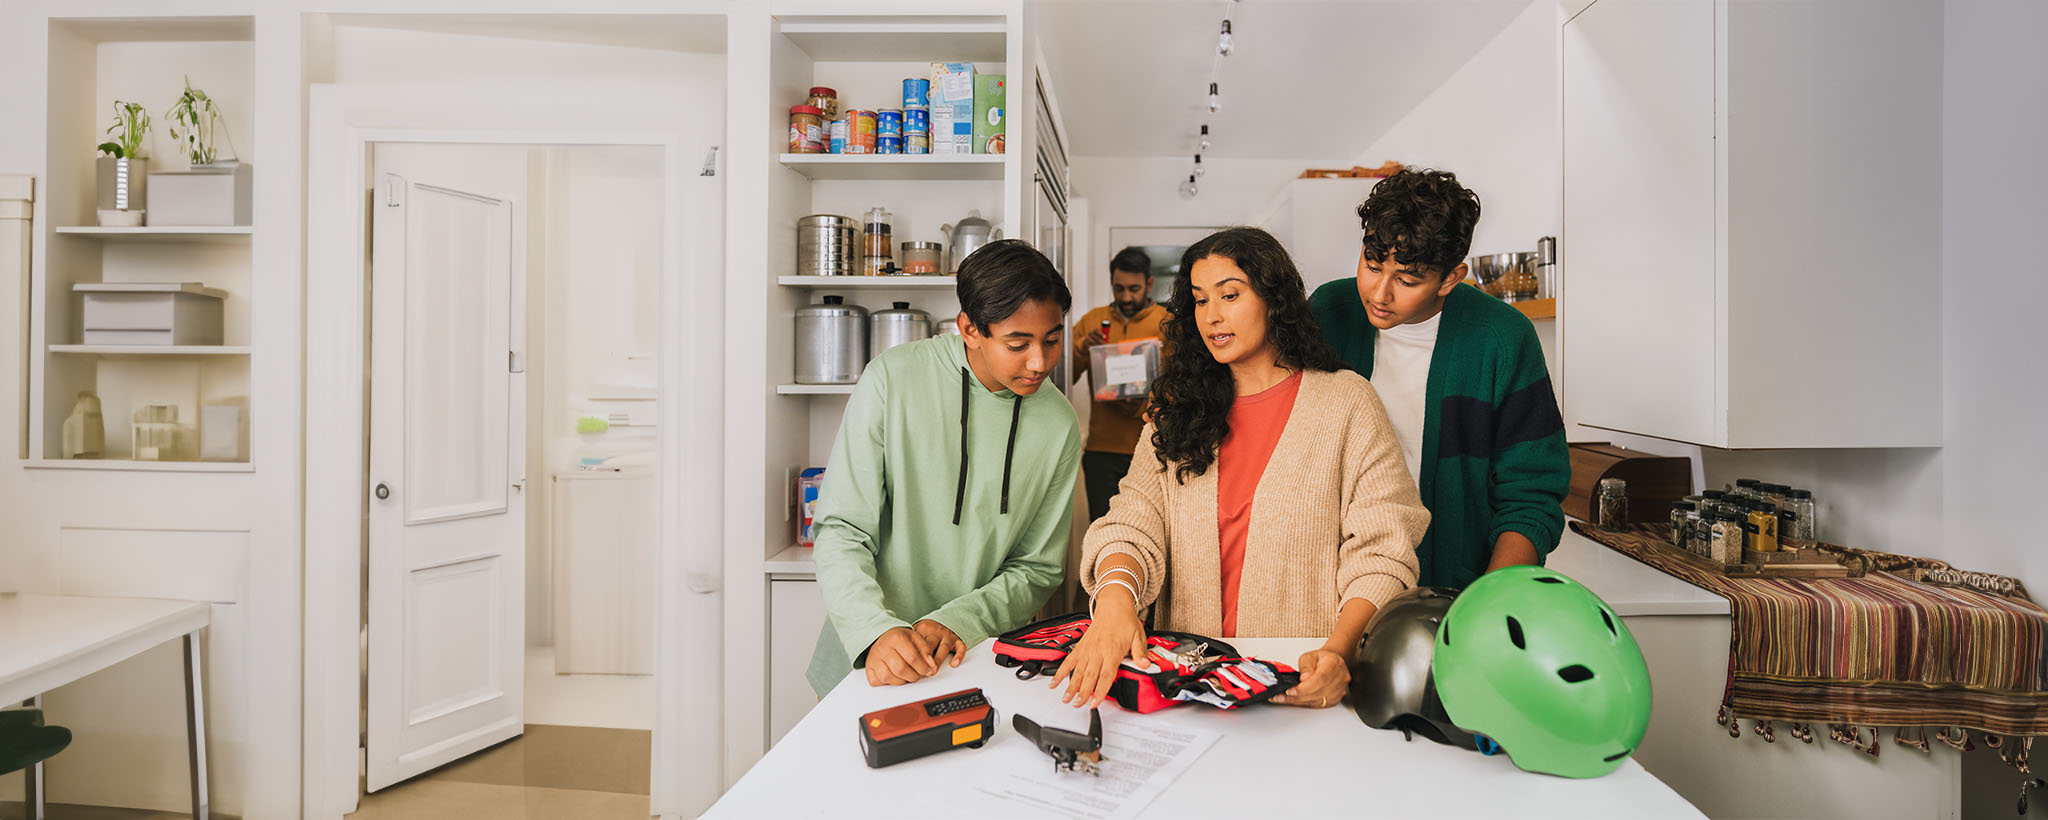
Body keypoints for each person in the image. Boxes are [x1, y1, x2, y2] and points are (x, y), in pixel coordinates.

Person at [1054, 227, 1430, 710]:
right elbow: (1131, 521)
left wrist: (1339, 653)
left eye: (1230, 295)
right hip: (1186, 683)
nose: (1212, 316)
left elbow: (1383, 551)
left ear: (1274, 299)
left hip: (1297, 681)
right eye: (1199, 300)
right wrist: (1114, 602)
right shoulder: (1177, 409)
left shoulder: (1346, 403)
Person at [808, 240, 1083, 696]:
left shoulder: (1059, 425)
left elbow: (1037, 568)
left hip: (979, 658)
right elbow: (841, 528)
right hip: (867, 657)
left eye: (1052, 340)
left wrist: (956, 620)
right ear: (969, 329)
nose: (1040, 362)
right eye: (1018, 344)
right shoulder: (892, 379)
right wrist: (875, 630)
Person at [1307, 169, 1569, 590]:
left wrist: (1488, 600)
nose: (1379, 294)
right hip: (1331, 585)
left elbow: (1531, 494)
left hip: (1450, 590)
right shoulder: (1327, 313)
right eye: (1372, 267)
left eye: (1407, 280)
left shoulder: (1501, 338)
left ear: (1450, 278)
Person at [1070, 247, 1172, 522]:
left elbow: (1187, 384)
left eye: (1134, 288)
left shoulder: (1167, 324)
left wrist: (1150, 397)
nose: (1126, 297)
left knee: (1151, 528)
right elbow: (1062, 378)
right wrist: (1081, 349)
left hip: (1154, 447)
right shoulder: (1092, 320)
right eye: (1119, 288)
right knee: (1103, 530)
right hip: (1101, 452)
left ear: (1149, 284)